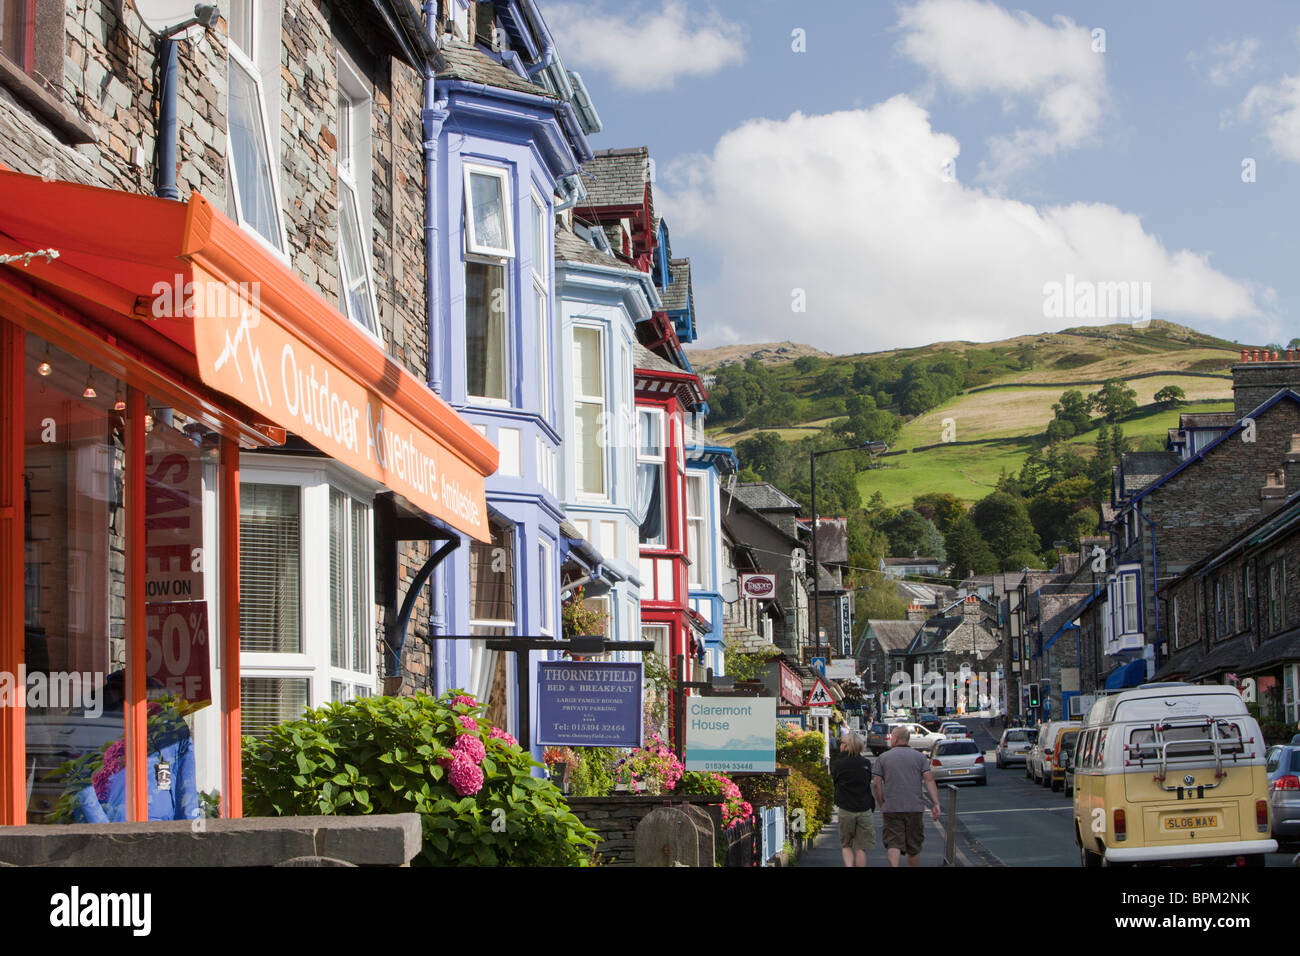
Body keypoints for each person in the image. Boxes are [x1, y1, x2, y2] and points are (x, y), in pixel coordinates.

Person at [871, 725, 941, 867]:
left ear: (895, 739)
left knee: (893, 843)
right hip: (914, 807)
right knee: (914, 846)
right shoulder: (920, 757)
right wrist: (936, 803)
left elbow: (876, 784)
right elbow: (929, 780)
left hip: (892, 808)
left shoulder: (883, 758)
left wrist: (881, 803)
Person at [830, 732, 875, 866]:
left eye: (842, 743)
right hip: (864, 808)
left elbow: (835, 781)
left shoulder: (839, 763)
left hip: (846, 808)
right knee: (861, 848)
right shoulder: (866, 763)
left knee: (846, 845)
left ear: (846, 746)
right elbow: (867, 783)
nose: (840, 746)